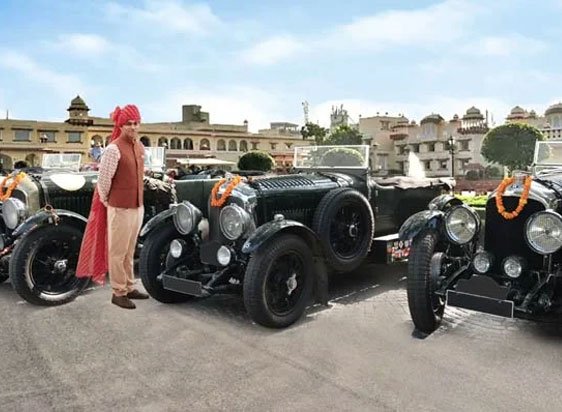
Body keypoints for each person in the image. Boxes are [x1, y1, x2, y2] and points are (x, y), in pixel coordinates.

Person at [76, 104, 149, 309]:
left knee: (129, 250)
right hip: (120, 207)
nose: (133, 127)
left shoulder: (139, 147)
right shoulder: (113, 149)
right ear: (121, 125)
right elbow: (104, 181)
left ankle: (129, 286)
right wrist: (109, 202)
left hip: (137, 206)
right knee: (117, 252)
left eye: (136, 123)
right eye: (129, 124)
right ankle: (118, 292)